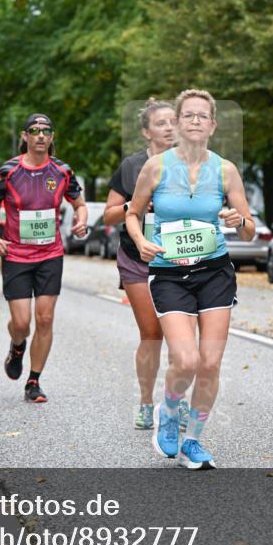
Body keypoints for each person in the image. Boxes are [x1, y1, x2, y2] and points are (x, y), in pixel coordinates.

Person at [126, 89, 255, 470]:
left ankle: (193, 442)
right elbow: (132, 213)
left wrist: (239, 221)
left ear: (213, 125)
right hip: (169, 275)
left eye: (203, 116)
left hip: (214, 273)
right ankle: (168, 410)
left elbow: (250, 229)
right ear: (178, 124)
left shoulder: (226, 170)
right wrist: (140, 241)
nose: (196, 121)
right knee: (185, 359)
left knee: (210, 363)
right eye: (189, 115)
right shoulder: (157, 167)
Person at [0, 113, 88, 403]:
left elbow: (79, 203)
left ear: (52, 137)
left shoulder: (63, 172)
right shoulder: (8, 171)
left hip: (50, 254)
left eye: (46, 131)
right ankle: (17, 347)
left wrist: (81, 220)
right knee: (21, 323)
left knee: (45, 318)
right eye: (35, 130)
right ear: (25, 136)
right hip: (16, 254)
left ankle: (34, 381)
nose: (41, 135)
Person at [103, 97, 189, 430]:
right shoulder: (132, 166)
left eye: (173, 122)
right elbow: (110, 215)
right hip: (138, 258)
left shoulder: (191, 163)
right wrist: (138, 207)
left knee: (179, 337)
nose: (169, 128)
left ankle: (175, 401)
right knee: (152, 333)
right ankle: (145, 401)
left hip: (179, 258)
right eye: (161, 123)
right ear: (146, 132)